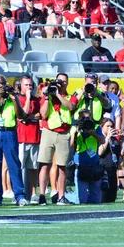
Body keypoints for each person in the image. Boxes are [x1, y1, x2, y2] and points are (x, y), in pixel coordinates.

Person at [0, 74, 27, 206]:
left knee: (14, 164)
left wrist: (14, 99)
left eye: (3, 83)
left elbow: (20, 115)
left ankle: (19, 195)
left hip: (9, 131)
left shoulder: (12, 96)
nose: (2, 86)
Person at [37, 73, 76, 206]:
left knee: (62, 166)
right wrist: (47, 97)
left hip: (63, 133)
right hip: (48, 131)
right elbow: (43, 114)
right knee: (44, 164)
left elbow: (71, 107)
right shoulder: (47, 96)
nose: (61, 84)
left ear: (67, 83)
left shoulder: (71, 97)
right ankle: (42, 195)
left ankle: (61, 196)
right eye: (59, 81)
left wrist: (58, 94)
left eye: (64, 81)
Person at [72, 109, 106, 204]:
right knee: (81, 200)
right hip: (81, 166)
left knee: (96, 200)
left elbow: (103, 141)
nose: (86, 120)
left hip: (94, 165)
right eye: (84, 118)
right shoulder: (75, 128)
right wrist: (77, 130)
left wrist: (91, 132)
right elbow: (70, 144)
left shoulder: (96, 127)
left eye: (88, 118)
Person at [17, 75, 41, 203]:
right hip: (22, 137)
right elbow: (24, 113)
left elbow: (40, 115)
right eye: (26, 85)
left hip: (34, 136)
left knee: (33, 167)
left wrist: (29, 116)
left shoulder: (36, 100)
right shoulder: (18, 98)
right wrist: (27, 98)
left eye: (30, 85)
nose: (29, 87)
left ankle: (32, 193)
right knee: (20, 166)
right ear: (20, 85)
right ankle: (20, 193)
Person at [98, 117, 122, 203]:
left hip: (112, 170)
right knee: (103, 197)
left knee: (112, 198)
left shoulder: (114, 140)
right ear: (102, 127)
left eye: (112, 126)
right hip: (103, 170)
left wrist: (122, 141)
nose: (110, 128)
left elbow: (122, 153)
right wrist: (107, 138)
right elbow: (100, 152)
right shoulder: (99, 138)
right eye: (107, 126)